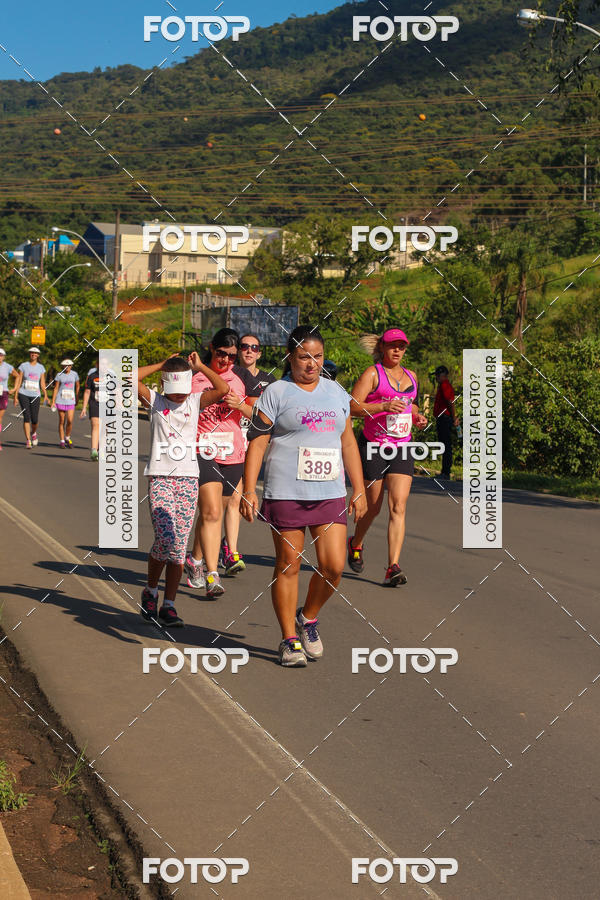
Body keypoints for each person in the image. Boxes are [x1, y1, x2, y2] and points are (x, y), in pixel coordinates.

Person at [241, 325, 367, 667]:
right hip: (286, 492)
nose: (311, 364)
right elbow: (259, 441)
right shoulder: (277, 392)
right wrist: (249, 489)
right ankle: (289, 640)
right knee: (288, 565)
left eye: (318, 356)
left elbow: (348, 442)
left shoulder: (337, 392)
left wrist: (358, 488)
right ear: (290, 357)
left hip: (329, 492)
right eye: (303, 357)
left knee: (333, 566)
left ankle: (308, 617)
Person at [137, 353, 228, 627]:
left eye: (182, 391)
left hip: (188, 479)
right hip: (161, 477)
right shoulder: (155, 401)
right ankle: (151, 590)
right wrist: (161, 364)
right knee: (165, 537)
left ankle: (169, 605)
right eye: (173, 391)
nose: (177, 397)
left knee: (178, 549)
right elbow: (128, 377)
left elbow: (222, 389)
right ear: (165, 386)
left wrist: (200, 367)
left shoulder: (194, 401)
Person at [183, 329, 262, 595]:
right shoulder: (193, 376)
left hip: (234, 453)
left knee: (213, 514)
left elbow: (259, 415)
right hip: (202, 450)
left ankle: (194, 558)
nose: (227, 360)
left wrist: (240, 405)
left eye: (231, 355)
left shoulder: (242, 377)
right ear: (211, 348)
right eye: (221, 354)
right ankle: (212, 574)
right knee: (212, 512)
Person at [348, 328, 427, 587]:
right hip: (375, 445)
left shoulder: (412, 376)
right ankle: (356, 542)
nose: (397, 350)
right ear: (382, 347)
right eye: (392, 345)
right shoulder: (373, 374)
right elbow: (352, 407)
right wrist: (382, 406)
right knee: (373, 507)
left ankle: (392, 566)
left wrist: (417, 417)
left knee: (399, 506)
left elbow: (410, 404)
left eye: (401, 346)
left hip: (402, 445)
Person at [221, 332, 278, 572]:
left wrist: (243, 407)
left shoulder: (270, 381)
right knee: (233, 497)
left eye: (254, 347)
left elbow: (268, 418)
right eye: (244, 346)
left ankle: (227, 545)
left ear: (259, 353)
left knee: (241, 496)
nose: (249, 351)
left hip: (255, 442)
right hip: (230, 440)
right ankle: (230, 551)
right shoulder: (227, 376)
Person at [13, 347, 48, 448]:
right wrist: (15, 396)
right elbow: (19, 381)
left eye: (35, 353)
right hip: (23, 393)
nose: (33, 354)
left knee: (35, 419)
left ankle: (33, 433)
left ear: (38, 355)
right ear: (29, 354)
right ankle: (28, 440)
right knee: (26, 417)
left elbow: (42, 382)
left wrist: (45, 394)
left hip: (35, 395)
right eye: (32, 353)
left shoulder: (41, 368)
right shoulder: (23, 366)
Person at [432, 365, 459, 480]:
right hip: (442, 418)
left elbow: (449, 401)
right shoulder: (442, 386)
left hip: (445, 418)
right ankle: (444, 471)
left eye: (438, 375)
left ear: (443, 375)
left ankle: (446, 472)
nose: (437, 378)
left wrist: (454, 417)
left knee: (446, 445)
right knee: (444, 444)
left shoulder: (445, 385)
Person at [51, 359, 80, 448]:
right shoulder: (59, 375)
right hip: (61, 399)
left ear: (71, 366)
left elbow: (78, 385)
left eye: (69, 366)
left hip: (71, 400)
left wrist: (77, 397)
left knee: (70, 420)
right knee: (62, 421)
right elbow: (56, 388)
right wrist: (53, 401)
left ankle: (67, 437)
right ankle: (62, 440)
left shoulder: (74, 374)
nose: (67, 367)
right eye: (66, 366)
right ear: (62, 366)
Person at [80, 364, 101, 460]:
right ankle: (94, 450)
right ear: (97, 365)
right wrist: (84, 407)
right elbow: (87, 392)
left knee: (105, 429)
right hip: (94, 404)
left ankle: (101, 450)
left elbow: (116, 391)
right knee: (95, 424)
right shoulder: (92, 376)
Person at [0, 349, 18, 450]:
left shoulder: (7, 367)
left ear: (4, 357)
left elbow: (17, 376)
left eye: (1, 355)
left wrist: (14, 389)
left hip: (4, 393)